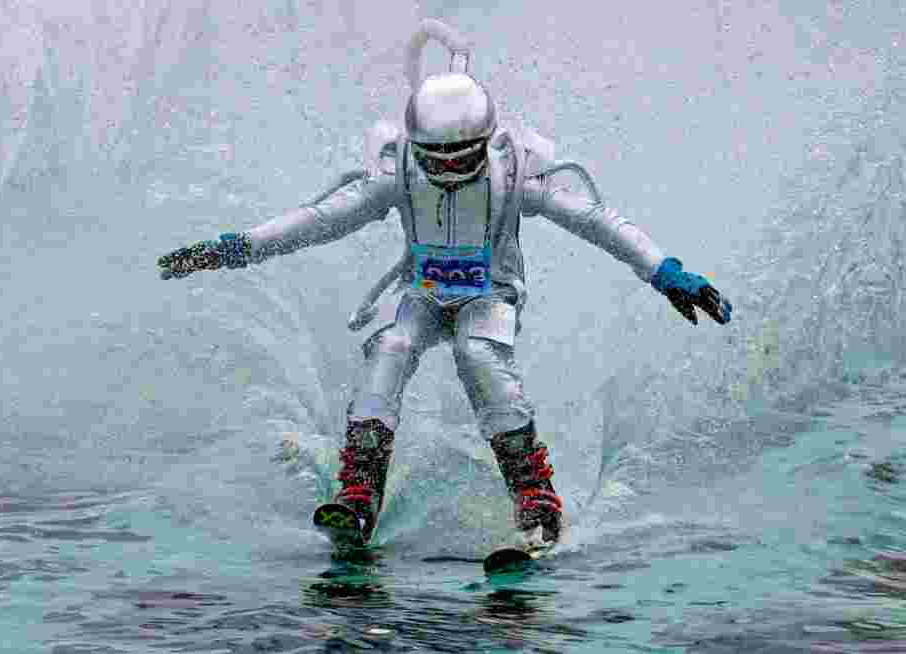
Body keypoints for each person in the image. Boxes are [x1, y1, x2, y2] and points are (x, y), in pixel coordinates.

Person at [157, 20, 732, 547]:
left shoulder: (513, 174)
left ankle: (534, 494)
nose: (450, 173)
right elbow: (320, 219)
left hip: (489, 295)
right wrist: (233, 249)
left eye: (462, 161)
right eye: (438, 161)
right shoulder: (400, 170)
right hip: (422, 295)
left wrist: (665, 273)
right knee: (389, 348)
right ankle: (359, 490)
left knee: (479, 356)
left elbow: (596, 222)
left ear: (486, 143)